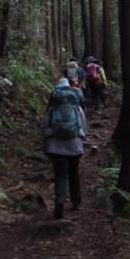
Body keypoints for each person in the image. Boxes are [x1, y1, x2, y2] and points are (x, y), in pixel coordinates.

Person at [42, 77, 87, 219]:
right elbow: (83, 126)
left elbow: (45, 126)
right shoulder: (77, 107)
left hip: (56, 146)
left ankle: (60, 200)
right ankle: (76, 201)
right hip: (75, 146)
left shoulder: (53, 107)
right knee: (74, 173)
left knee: (60, 175)